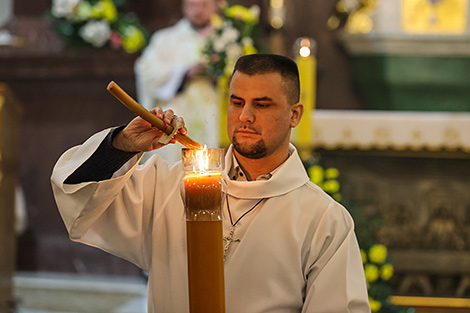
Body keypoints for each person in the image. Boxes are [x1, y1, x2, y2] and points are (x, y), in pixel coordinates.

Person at [51, 54, 370, 312]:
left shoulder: (323, 220)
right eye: (236, 102)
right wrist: (122, 144)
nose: (245, 116)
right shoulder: (170, 185)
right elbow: (78, 197)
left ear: (295, 114)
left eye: (262, 104)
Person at [134, 0, 221, 162]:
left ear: (216, 6)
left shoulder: (227, 39)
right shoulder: (165, 38)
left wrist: (220, 72)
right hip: (178, 111)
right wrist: (184, 73)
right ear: (184, 7)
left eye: (204, 5)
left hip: (214, 112)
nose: (198, 11)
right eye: (192, 5)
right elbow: (145, 70)